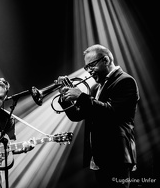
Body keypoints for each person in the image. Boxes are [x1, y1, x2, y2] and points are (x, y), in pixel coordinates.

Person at [57, 44, 139, 188]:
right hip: (100, 158)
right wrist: (65, 97)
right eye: (86, 68)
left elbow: (111, 112)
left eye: (91, 65)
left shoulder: (125, 81)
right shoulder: (96, 87)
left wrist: (81, 97)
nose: (88, 72)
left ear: (106, 60)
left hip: (117, 157)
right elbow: (78, 115)